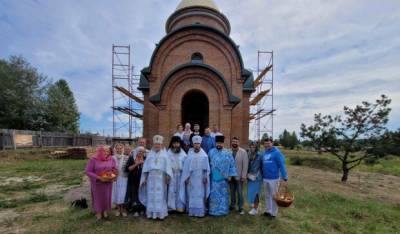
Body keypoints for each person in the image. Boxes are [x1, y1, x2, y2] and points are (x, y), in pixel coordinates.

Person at [139, 135, 173, 220]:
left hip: (161, 178)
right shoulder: (150, 155)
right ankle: (151, 213)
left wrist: (167, 177)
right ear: (153, 145)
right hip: (151, 178)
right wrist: (145, 178)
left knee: (160, 195)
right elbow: (146, 168)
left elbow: (168, 168)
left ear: (161, 145)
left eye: (159, 144)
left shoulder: (165, 155)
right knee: (151, 194)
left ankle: (160, 214)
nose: (157, 146)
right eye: (156, 144)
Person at [180, 135, 210, 217]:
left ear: (200, 144)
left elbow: (206, 169)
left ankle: (200, 212)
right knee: (191, 194)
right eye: (195, 143)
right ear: (193, 144)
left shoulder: (204, 155)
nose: (196, 145)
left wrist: (205, 177)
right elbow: (186, 168)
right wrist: (186, 177)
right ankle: (191, 211)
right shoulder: (189, 155)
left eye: (198, 143)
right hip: (191, 178)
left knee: (200, 195)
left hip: (200, 178)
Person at [208, 135, 237, 216]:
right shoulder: (211, 152)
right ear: (215, 143)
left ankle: (223, 210)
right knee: (214, 194)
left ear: (223, 143)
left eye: (220, 143)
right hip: (214, 178)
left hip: (224, 178)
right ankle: (213, 211)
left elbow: (232, 164)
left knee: (224, 194)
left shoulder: (228, 152)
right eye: (217, 143)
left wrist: (230, 175)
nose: (219, 144)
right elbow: (207, 164)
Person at [85, 146, 117, 220]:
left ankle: (105, 212)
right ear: (100, 151)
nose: (106, 152)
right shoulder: (94, 159)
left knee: (107, 197)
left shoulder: (111, 159)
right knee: (98, 197)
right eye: (104, 151)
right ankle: (98, 212)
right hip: (97, 183)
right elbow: (88, 171)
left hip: (108, 182)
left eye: (108, 151)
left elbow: (114, 168)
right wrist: (99, 178)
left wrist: (113, 174)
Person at [262, 137, 288, 219]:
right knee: (267, 195)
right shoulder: (264, 153)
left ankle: (273, 214)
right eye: (265, 144)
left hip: (274, 178)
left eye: (268, 143)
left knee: (274, 196)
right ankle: (268, 211)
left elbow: (282, 165)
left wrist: (285, 177)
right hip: (265, 178)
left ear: (272, 143)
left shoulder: (277, 153)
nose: (267, 145)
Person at [167, 136, 187, 212]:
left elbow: (186, 165)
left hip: (180, 174)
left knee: (180, 190)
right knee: (171, 190)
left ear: (180, 144)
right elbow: (166, 164)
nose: (176, 145)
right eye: (174, 143)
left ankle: (180, 206)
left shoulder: (183, 153)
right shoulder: (168, 152)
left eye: (177, 143)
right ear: (172, 144)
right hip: (171, 174)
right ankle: (171, 207)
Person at [229, 137, 249, 215]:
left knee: (240, 193)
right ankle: (232, 205)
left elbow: (245, 164)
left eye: (236, 142)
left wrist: (244, 176)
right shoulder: (228, 151)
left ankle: (240, 207)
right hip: (231, 176)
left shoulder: (243, 152)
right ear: (231, 143)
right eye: (233, 141)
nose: (234, 143)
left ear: (238, 143)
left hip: (239, 176)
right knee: (232, 192)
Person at [125, 146, 146, 216]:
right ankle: (135, 210)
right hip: (133, 180)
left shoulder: (145, 158)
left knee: (142, 195)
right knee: (134, 195)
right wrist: (137, 163)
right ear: (137, 151)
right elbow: (128, 169)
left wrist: (146, 179)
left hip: (142, 180)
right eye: (139, 151)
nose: (141, 153)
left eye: (142, 151)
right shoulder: (131, 158)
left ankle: (142, 209)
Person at [111, 143, 129, 217]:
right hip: (115, 178)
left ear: (123, 149)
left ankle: (123, 209)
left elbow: (128, 169)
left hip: (124, 178)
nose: (119, 150)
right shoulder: (112, 158)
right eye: (117, 148)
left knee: (123, 194)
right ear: (115, 149)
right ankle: (118, 209)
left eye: (120, 148)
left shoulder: (126, 157)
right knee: (117, 193)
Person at [247, 141, 263, 215]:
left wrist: (257, 175)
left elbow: (262, 167)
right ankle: (254, 204)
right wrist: (247, 174)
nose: (252, 148)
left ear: (256, 147)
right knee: (251, 192)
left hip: (257, 177)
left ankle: (255, 209)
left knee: (256, 193)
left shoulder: (260, 155)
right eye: (251, 146)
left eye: (254, 146)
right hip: (250, 176)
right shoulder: (249, 154)